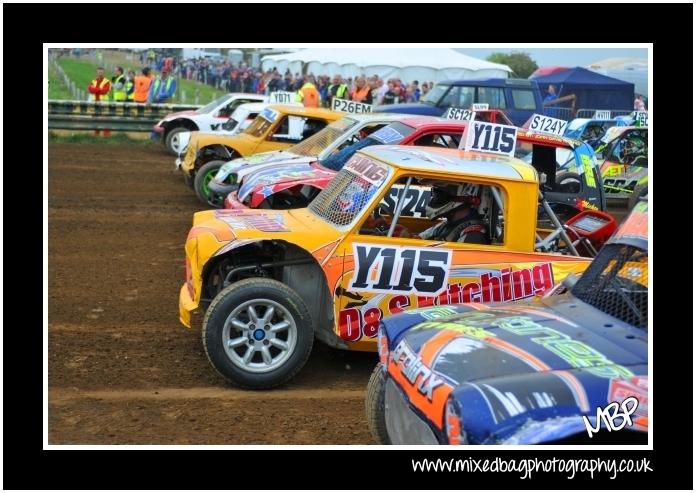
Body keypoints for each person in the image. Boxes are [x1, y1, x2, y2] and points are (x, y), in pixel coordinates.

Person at [418, 183, 490, 244]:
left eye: (439, 195)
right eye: (434, 194)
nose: (434, 200)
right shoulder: (445, 224)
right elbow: (418, 239)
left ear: (462, 197)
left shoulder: (473, 235)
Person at [87, 67, 111, 136]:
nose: (100, 73)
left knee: (105, 119)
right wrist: (99, 89)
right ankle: (96, 134)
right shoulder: (93, 81)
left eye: (101, 72)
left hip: (104, 103)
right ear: (96, 73)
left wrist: (95, 89)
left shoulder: (107, 81)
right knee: (95, 119)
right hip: (94, 102)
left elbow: (104, 91)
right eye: (99, 72)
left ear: (104, 73)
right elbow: (90, 89)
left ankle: (106, 135)